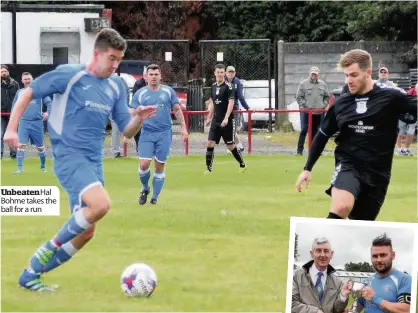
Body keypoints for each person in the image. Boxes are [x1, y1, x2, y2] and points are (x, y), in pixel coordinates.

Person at [3, 28, 156, 292]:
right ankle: (45, 251)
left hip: (94, 161)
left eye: (119, 59)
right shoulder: (69, 74)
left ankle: (30, 275)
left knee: (87, 232)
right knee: (101, 204)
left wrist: (138, 119)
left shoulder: (116, 85)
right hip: (68, 156)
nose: (115, 64)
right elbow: (29, 93)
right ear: (97, 54)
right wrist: (12, 128)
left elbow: (126, 131)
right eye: (111, 58)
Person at [295, 49, 417, 221]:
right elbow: (322, 135)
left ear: (368, 73)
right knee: (341, 207)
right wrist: (307, 168)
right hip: (348, 165)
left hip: (378, 173)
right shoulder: (341, 104)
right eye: (346, 75)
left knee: (359, 226)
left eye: (353, 75)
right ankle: (321, 245)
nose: (348, 80)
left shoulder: (391, 97)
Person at [130, 64, 188, 205]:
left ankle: (154, 198)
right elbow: (132, 112)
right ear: (146, 77)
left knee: (159, 166)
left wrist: (183, 128)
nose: (154, 77)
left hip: (164, 133)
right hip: (146, 133)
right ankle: (145, 188)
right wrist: (138, 114)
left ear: (160, 76)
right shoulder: (140, 93)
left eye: (156, 74)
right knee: (144, 164)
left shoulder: (168, 91)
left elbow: (177, 109)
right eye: (151, 74)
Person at [352, 234, 411, 313]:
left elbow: (406, 310)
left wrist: (374, 298)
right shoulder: (366, 282)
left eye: (383, 255)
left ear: (393, 255)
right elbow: (356, 309)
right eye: (375, 256)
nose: (379, 260)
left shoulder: (405, 279)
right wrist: (343, 296)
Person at [205, 63, 247, 173]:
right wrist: (209, 117)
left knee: (230, 145)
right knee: (210, 143)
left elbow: (231, 103)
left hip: (227, 121)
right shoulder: (213, 86)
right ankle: (208, 169)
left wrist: (226, 118)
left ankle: (242, 164)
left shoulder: (229, 87)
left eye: (221, 72)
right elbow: (213, 103)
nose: (219, 74)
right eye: (217, 72)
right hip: (216, 120)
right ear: (214, 73)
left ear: (224, 74)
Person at [292, 237, 350, 313]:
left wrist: (343, 296)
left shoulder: (338, 283)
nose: (322, 255)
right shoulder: (296, 276)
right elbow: (291, 304)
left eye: (326, 251)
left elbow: (337, 310)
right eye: (318, 251)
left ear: (331, 254)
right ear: (312, 254)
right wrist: (315, 311)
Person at [11, 72, 52, 174]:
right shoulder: (19, 92)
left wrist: (47, 112)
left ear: (33, 79)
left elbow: (50, 103)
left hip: (37, 123)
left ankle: (43, 167)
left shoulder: (40, 91)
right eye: (25, 79)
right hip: (23, 123)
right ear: (22, 81)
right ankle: (19, 169)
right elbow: (14, 107)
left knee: (40, 147)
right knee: (21, 146)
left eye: (29, 78)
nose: (27, 80)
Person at [295, 66, 330, 155]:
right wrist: (306, 105)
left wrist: (323, 105)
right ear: (310, 74)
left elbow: (327, 97)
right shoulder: (303, 84)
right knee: (303, 130)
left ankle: (314, 151)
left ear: (318, 74)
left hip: (318, 112)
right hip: (306, 111)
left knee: (317, 131)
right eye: (312, 73)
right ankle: (299, 151)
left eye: (315, 73)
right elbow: (298, 97)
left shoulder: (323, 84)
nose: (314, 75)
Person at [225, 65, 251, 152]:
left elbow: (240, 96)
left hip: (234, 109)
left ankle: (232, 146)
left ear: (235, 73)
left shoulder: (237, 82)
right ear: (226, 73)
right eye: (229, 72)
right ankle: (239, 145)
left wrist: (247, 107)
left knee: (232, 129)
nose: (231, 74)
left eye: (232, 72)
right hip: (224, 109)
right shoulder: (223, 81)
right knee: (228, 129)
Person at [1, 64, 19, 159]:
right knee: (1, 134)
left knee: (12, 133)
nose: (4, 73)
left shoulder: (15, 84)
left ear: (8, 72)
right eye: (2, 71)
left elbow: (19, 98)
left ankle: (13, 154)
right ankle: (0, 154)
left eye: (5, 71)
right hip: (0, 113)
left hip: (12, 113)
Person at [395, 83, 417, 156]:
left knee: (410, 133)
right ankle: (399, 149)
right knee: (400, 132)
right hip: (403, 116)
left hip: (414, 118)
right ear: (416, 89)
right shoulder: (410, 93)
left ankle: (406, 149)